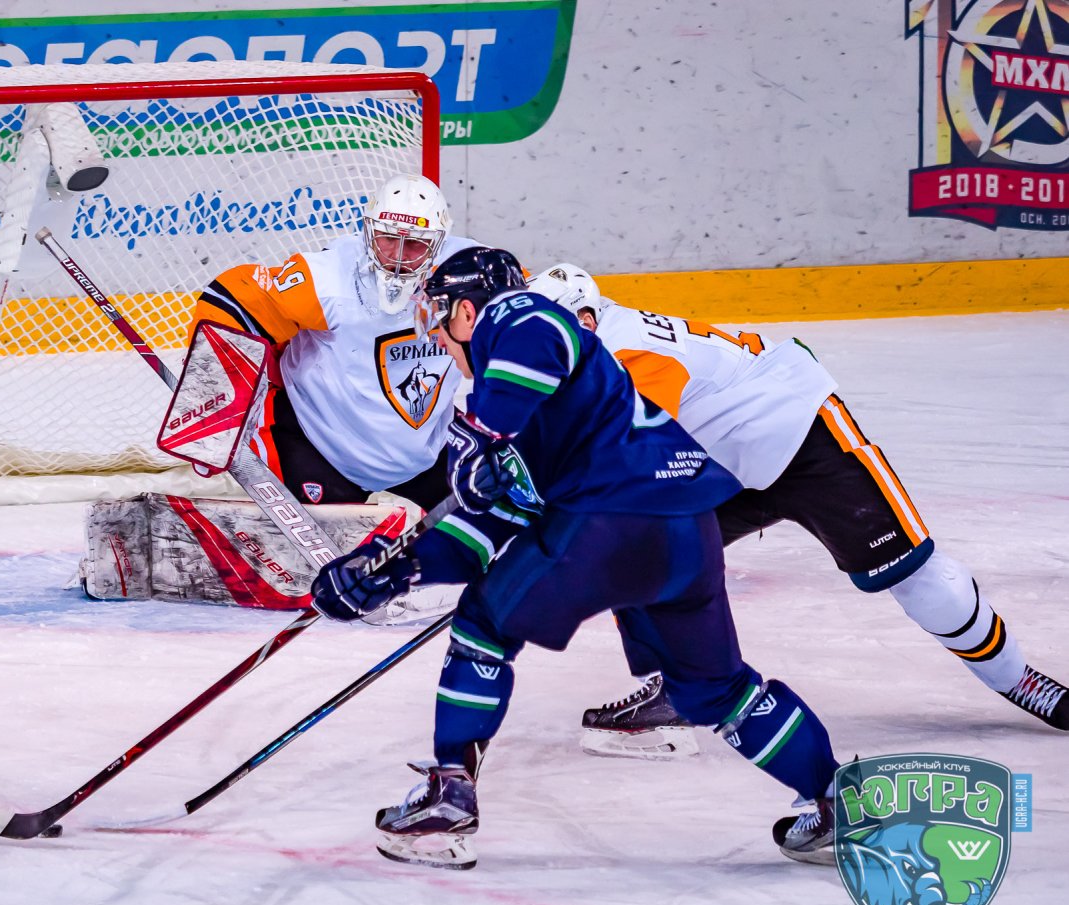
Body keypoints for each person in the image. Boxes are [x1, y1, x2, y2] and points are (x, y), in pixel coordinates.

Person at [309, 247, 846, 868]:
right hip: (684, 525)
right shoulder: (522, 407)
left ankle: (448, 798)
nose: (436, 336)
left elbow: (537, 332)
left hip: (612, 518)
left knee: (483, 627)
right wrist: (396, 570)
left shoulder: (519, 321)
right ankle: (835, 798)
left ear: (467, 311)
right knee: (715, 690)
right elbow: (488, 527)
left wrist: (484, 436)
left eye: (441, 315)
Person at [526, 263, 1068, 756]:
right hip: (724, 460)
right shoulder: (579, 344)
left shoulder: (628, 354)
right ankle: (680, 692)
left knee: (917, 577)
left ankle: (1018, 679)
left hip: (800, 433)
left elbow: (630, 455)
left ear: (586, 321)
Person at [188, 174, 483, 510]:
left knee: (502, 517)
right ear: (368, 231)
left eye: (415, 244)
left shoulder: (472, 273)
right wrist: (209, 400)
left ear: (439, 243)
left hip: (425, 451)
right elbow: (232, 301)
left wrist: (502, 422)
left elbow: (525, 320)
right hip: (320, 445)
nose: (398, 256)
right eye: (388, 238)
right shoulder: (329, 277)